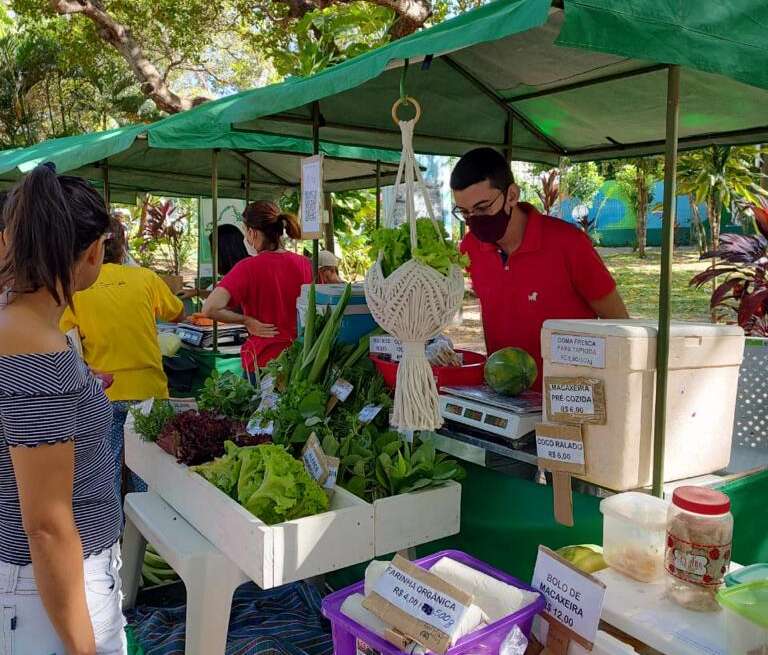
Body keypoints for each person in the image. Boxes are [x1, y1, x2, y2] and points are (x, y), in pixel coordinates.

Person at [0, 164, 126, 654]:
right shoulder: (38, 354)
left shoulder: (19, 326)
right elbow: (48, 527)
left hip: (40, 586)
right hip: (50, 593)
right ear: (93, 251)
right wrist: (83, 647)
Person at [451, 148, 628, 390]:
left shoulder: (569, 243)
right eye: (464, 212)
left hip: (570, 395)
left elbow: (618, 322)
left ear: (512, 195)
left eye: (482, 208)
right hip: (505, 393)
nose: (474, 219)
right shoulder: (470, 247)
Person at [60, 215, 184, 498]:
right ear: (122, 247)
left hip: (105, 392)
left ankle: (114, 523)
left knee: (108, 470)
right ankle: (146, 523)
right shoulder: (146, 278)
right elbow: (178, 313)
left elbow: (64, 334)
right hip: (150, 391)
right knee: (149, 472)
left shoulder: (76, 287)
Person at [203, 200, 312, 373]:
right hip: (301, 360)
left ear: (252, 232)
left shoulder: (247, 267)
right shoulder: (306, 264)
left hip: (262, 361)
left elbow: (209, 308)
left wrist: (246, 320)